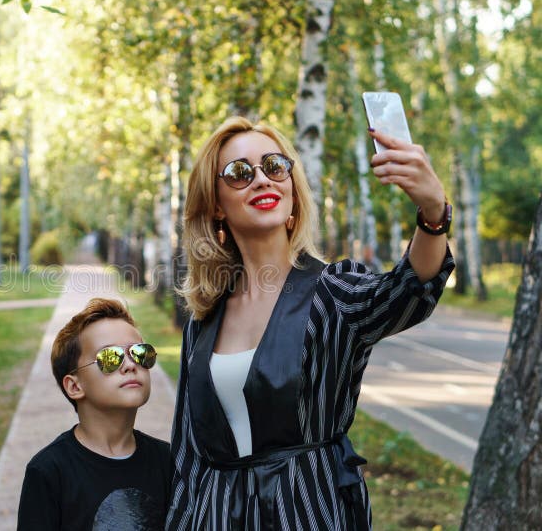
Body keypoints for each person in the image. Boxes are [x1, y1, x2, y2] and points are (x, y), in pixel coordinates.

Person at [166, 117, 454, 530]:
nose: (262, 180)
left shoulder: (332, 292)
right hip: (215, 516)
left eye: (274, 166)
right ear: (215, 204)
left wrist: (432, 213)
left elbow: (407, 290)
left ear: (292, 189)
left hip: (305, 510)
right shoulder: (206, 315)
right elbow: (187, 454)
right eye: (240, 173)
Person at [17, 298, 171, 530]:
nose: (130, 365)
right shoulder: (49, 471)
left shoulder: (168, 461)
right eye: (110, 357)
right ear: (75, 386)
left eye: (140, 353)